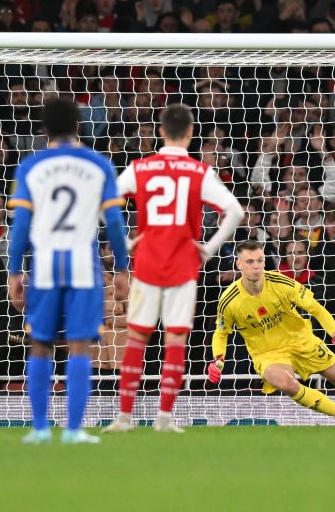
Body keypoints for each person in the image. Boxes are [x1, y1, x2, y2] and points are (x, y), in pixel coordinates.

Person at [105, 103, 245, 433]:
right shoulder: (199, 172)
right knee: (175, 343)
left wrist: (124, 243)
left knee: (137, 340)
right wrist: (209, 249)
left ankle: (124, 418)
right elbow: (236, 212)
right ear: (192, 133)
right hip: (183, 266)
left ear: (160, 131)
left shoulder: (141, 168)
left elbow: (106, 199)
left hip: (148, 264)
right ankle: (165, 419)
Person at [7, 98, 130, 444]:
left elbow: (20, 225)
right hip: (84, 267)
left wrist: (15, 270)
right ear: (79, 126)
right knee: (79, 346)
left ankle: (41, 428)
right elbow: (116, 225)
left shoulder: (31, 166)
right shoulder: (98, 165)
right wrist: (121, 267)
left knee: (41, 346)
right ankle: (74, 430)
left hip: (45, 266)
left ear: (44, 128)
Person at [206, 240, 335, 425]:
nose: (256, 267)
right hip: (267, 353)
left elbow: (317, 309)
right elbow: (221, 332)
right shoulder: (229, 299)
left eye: (260, 261)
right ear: (239, 264)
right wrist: (218, 359)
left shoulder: (280, 282)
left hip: (300, 340)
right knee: (288, 385)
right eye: (250, 262)